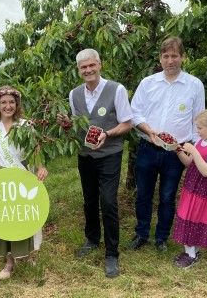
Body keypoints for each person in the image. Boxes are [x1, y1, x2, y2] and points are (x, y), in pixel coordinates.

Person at [59, 48, 133, 278]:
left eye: (92, 65)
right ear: (79, 70)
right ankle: (92, 238)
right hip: (85, 155)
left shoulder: (116, 89)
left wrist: (108, 134)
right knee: (89, 200)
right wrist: (65, 124)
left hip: (109, 154)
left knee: (108, 201)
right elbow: (76, 123)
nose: (88, 70)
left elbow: (127, 123)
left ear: (100, 64)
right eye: (83, 67)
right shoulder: (74, 94)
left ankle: (112, 253)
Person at [129, 37, 205, 253]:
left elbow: (197, 120)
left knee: (167, 196)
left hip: (176, 151)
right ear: (160, 59)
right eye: (166, 56)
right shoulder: (148, 83)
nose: (170, 60)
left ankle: (161, 237)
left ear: (183, 57)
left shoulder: (194, 85)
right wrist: (149, 130)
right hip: (148, 148)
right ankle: (141, 233)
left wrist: (194, 150)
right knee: (143, 194)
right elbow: (135, 113)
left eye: (174, 56)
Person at [0, 86, 48, 280]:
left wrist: (41, 167)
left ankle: (25, 254)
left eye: (11, 102)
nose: (8, 106)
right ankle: (9, 261)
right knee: (2, 219)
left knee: (22, 216)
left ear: (17, 104)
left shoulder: (26, 125)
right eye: (4, 102)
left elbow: (35, 151)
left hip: (21, 176)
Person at [171, 109, 207, 268]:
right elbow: (189, 163)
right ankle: (190, 252)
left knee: (195, 218)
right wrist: (179, 151)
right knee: (187, 215)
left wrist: (194, 151)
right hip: (191, 187)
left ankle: (191, 255)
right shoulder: (201, 141)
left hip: (203, 191)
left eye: (200, 128)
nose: (197, 131)